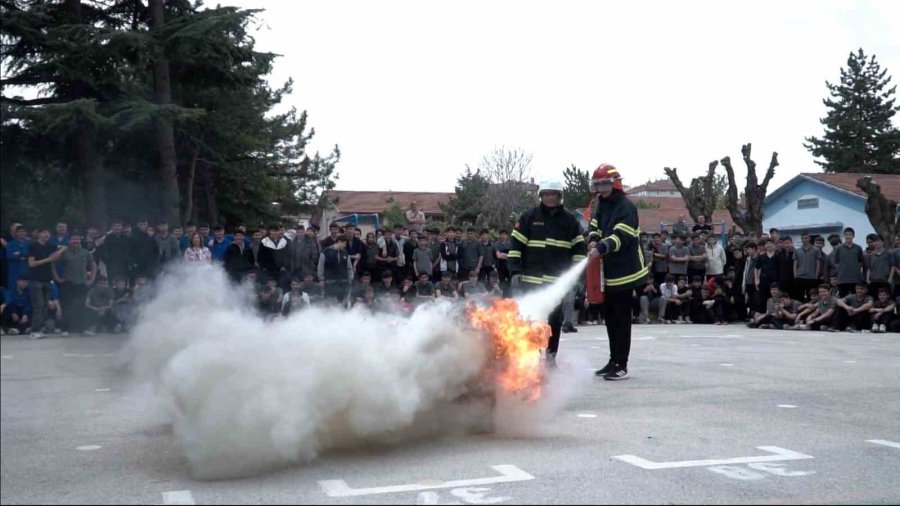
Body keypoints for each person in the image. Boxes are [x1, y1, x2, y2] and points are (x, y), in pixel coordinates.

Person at [509, 179, 587, 369]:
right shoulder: (528, 217)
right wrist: (515, 272)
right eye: (546, 194)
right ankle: (532, 357)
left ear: (560, 197)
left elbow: (579, 251)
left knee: (554, 322)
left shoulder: (570, 221)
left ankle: (551, 357)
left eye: (554, 194)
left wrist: (577, 280)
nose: (550, 197)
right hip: (531, 280)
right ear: (541, 196)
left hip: (556, 283)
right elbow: (516, 246)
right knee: (531, 319)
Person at [586, 165, 646, 380]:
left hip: (626, 269)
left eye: (604, 183)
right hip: (609, 269)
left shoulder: (625, 206)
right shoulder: (601, 203)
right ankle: (613, 360)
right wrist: (593, 239)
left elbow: (623, 236)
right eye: (597, 184)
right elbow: (594, 225)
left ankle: (622, 365)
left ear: (615, 183)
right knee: (610, 318)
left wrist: (602, 247)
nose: (600, 188)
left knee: (621, 319)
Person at [27, 228, 66, 339]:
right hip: (35, 279)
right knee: (38, 306)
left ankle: (40, 329)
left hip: (47, 279)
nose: (46, 235)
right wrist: (49, 259)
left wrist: (58, 253)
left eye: (48, 233)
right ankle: (34, 330)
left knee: (45, 306)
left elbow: (64, 247)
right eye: (44, 232)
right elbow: (31, 263)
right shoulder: (33, 246)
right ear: (39, 234)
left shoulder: (50, 246)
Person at [54, 232, 96, 335]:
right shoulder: (64, 252)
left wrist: (91, 279)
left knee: (82, 306)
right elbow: (53, 263)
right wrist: (57, 277)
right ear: (69, 241)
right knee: (67, 306)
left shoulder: (85, 252)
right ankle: (65, 329)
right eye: (73, 239)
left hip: (82, 283)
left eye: (77, 239)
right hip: (68, 282)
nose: (75, 241)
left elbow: (93, 265)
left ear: (80, 240)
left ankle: (83, 329)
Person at [317, 234, 354, 305]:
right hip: (330, 282)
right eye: (344, 244)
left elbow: (349, 267)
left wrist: (350, 278)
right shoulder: (325, 252)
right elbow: (320, 267)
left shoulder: (345, 253)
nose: (345, 246)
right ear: (339, 242)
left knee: (343, 303)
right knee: (330, 303)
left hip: (343, 282)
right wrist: (321, 279)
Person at [833, 227, 864, 297]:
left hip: (855, 279)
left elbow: (861, 262)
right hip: (842, 279)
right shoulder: (839, 249)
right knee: (843, 299)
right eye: (846, 234)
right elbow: (836, 263)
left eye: (850, 234)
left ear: (853, 236)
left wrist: (855, 269)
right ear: (843, 236)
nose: (848, 236)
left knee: (856, 298)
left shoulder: (858, 248)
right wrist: (842, 270)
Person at [793, 233, 823, 302]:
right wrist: (795, 275)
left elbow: (818, 264)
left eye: (806, 238)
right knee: (799, 296)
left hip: (811, 277)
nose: (804, 240)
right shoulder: (797, 251)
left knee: (811, 297)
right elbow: (795, 265)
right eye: (802, 238)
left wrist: (816, 276)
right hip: (800, 277)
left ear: (809, 238)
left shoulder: (816, 250)